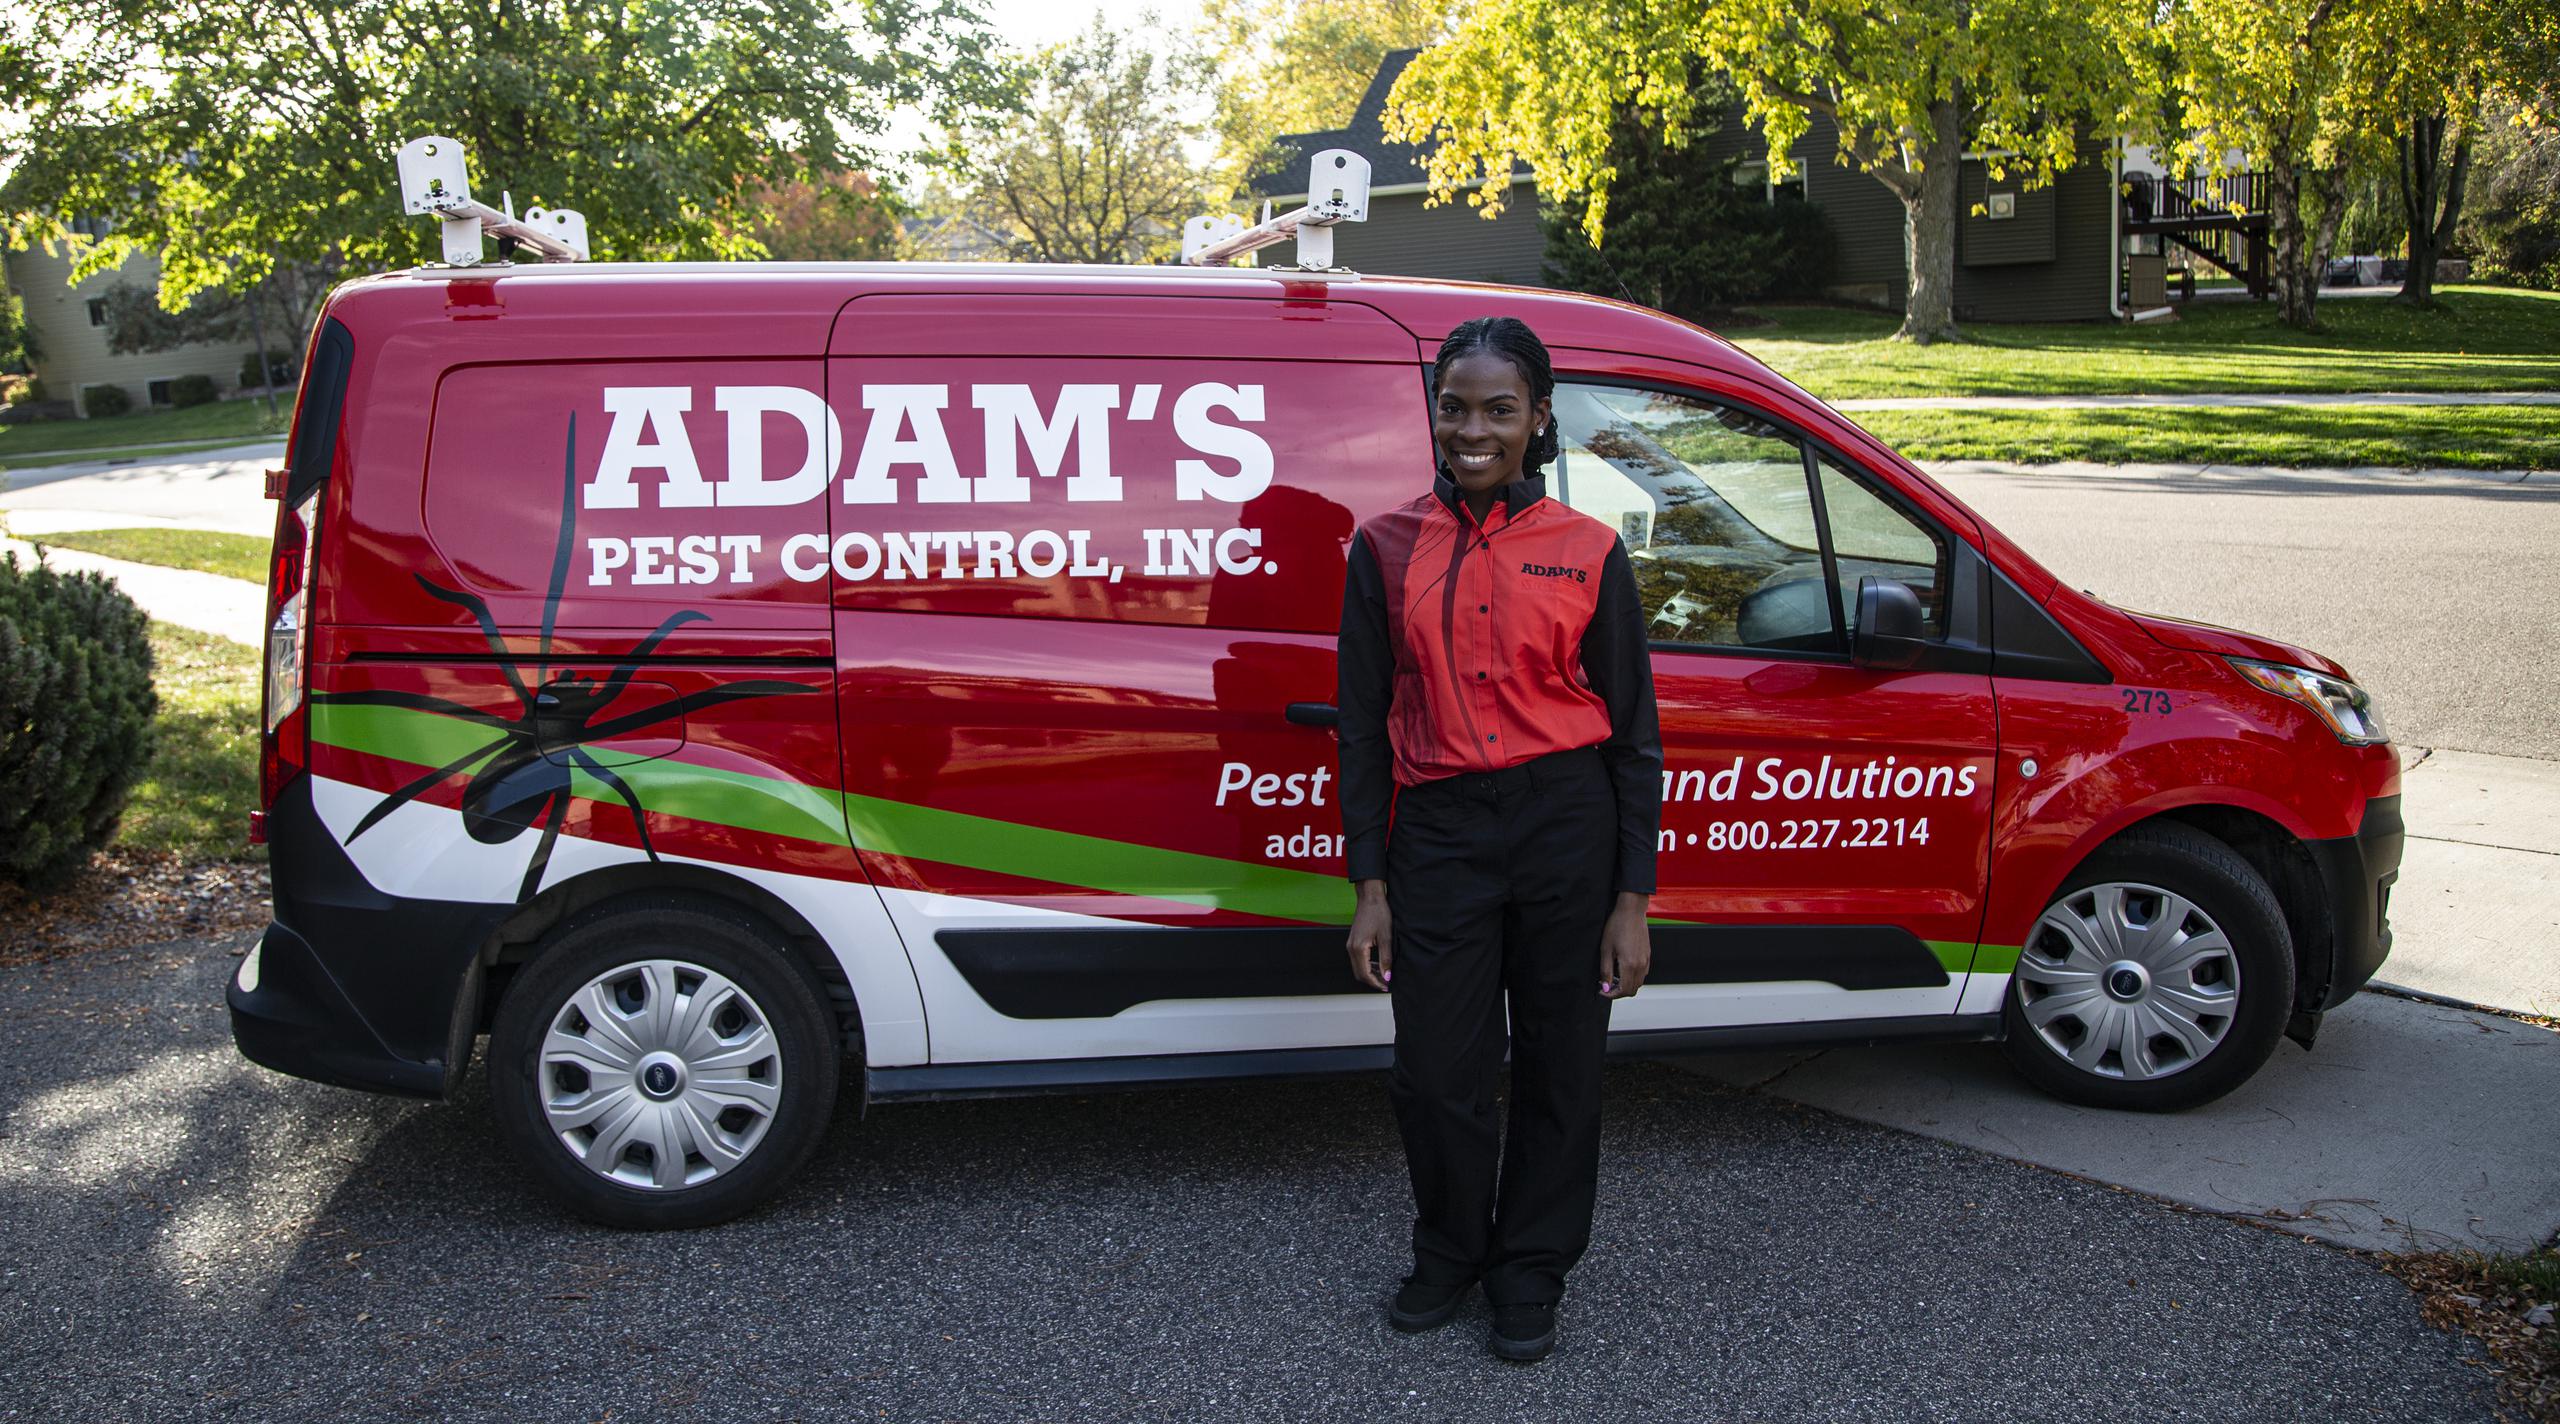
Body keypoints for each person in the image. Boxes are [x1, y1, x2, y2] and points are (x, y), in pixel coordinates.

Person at [1335, 315, 1663, 1363]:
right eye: (1455, 406)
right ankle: (1448, 1248)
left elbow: (1634, 738)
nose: (1472, 428)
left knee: (1564, 1065)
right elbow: (1359, 725)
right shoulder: (1382, 546)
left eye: (1498, 409)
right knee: (1435, 1068)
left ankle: (1530, 1267)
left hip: (1567, 823)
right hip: (1439, 833)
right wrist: (1371, 885)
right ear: (1433, 412)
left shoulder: (1588, 550)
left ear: (1538, 419)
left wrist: (1631, 897)